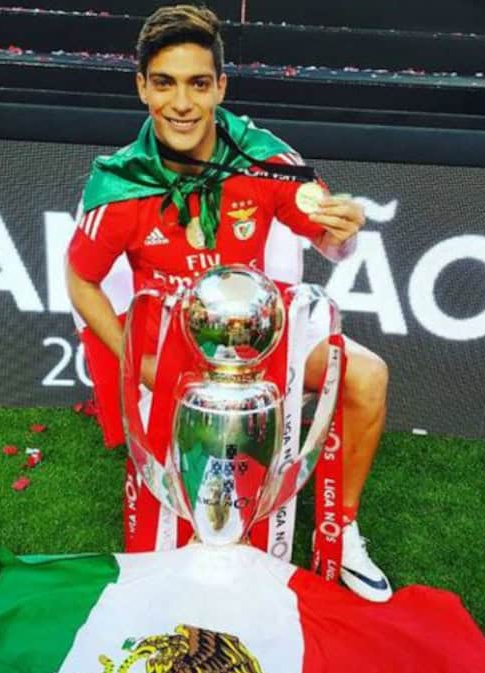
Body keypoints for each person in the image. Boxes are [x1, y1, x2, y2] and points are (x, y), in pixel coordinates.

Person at [66, 4, 392, 602]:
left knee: (367, 375)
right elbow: (80, 278)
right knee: (172, 563)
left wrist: (341, 226)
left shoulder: (259, 158)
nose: (182, 103)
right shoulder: (119, 183)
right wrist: (135, 360)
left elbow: (322, 226)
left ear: (221, 86)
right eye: (164, 83)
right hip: (172, 345)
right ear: (142, 87)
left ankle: (340, 530)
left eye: (197, 83)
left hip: (252, 331)